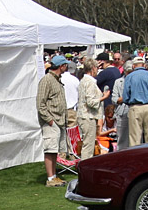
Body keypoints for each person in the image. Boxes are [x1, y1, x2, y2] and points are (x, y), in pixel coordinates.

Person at [37, 54, 69, 187]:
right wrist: (49, 120)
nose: (67, 67)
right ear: (61, 66)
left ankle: (54, 176)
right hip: (51, 121)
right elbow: (40, 103)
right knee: (50, 150)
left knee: (55, 150)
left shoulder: (57, 80)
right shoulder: (47, 80)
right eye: (65, 65)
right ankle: (50, 178)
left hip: (59, 120)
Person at [122, 55, 148, 146]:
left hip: (135, 107)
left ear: (133, 66)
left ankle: (135, 158)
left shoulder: (129, 77)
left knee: (134, 138)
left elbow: (125, 97)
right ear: (144, 65)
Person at [76, 59, 103, 161]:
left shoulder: (83, 80)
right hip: (88, 116)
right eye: (96, 68)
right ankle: (85, 168)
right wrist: (103, 97)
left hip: (84, 116)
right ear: (93, 68)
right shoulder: (90, 82)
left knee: (88, 144)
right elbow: (91, 102)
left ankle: (85, 167)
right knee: (88, 146)